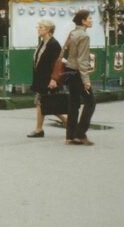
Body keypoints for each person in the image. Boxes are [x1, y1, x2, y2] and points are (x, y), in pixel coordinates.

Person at [61, 9, 96, 146]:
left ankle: (70, 135)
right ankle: (80, 133)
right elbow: (83, 59)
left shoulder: (72, 33)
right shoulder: (84, 36)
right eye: (89, 18)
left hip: (69, 70)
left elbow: (64, 51)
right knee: (90, 101)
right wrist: (86, 80)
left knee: (73, 103)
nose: (91, 20)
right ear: (83, 21)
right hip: (77, 73)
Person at [28, 19, 61, 138]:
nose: (38, 29)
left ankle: (39, 129)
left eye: (41, 27)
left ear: (48, 30)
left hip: (48, 79)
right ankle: (39, 129)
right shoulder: (43, 42)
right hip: (41, 78)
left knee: (45, 104)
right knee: (44, 104)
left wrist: (54, 80)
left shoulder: (53, 44)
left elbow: (57, 63)